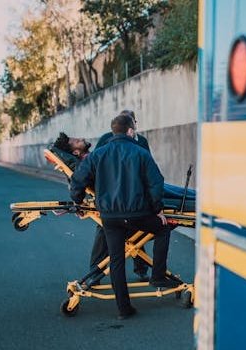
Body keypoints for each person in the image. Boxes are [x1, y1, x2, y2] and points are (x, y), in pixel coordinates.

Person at [70, 113, 178, 320]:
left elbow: (78, 180)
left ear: (114, 131)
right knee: (163, 228)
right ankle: (157, 276)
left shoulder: (98, 154)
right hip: (138, 214)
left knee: (116, 260)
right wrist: (158, 209)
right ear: (130, 131)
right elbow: (157, 183)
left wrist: (78, 201)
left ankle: (124, 309)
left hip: (110, 217)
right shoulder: (140, 153)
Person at [88, 110, 150, 283]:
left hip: (132, 196)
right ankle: (95, 272)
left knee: (137, 234)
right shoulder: (106, 140)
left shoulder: (142, 142)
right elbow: (93, 166)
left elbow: (148, 168)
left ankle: (141, 269)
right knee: (103, 234)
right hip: (111, 196)